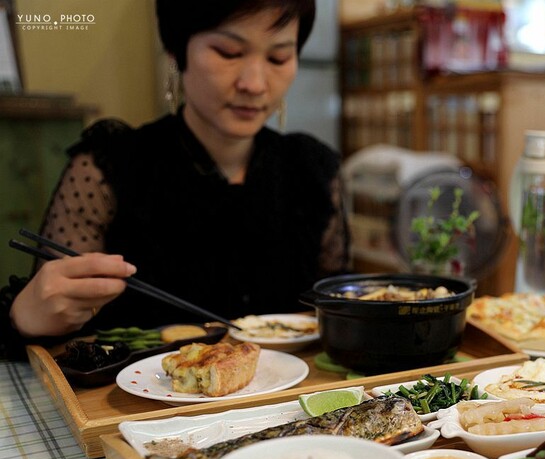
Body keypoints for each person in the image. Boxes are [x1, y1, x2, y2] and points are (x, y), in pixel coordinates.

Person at [1, 0, 349, 357]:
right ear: (176, 50)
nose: (255, 84)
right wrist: (26, 317)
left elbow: (335, 307)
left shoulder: (313, 170)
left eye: (278, 58)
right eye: (228, 52)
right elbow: (51, 334)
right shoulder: (110, 167)